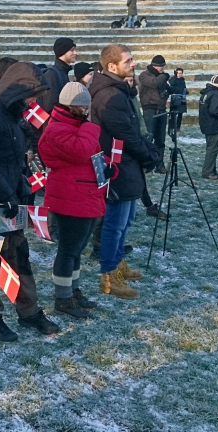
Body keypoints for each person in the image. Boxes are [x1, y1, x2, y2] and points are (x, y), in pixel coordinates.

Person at [0, 61, 60, 341]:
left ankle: (28, 310)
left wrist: (23, 189)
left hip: (13, 201)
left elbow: (17, 160)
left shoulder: (14, 117)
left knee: (19, 256)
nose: (35, 101)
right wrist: (6, 194)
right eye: (32, 94)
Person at [89, 43, 158, 299]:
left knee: (125, 221)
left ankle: (118, 264)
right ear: (111, 66)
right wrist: (148, 154)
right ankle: (109, 276)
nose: (133, 64)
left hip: (125, 164)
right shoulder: (109, 95)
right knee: (115, 224)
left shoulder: (118, 90)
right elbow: (126, 133)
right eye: (128, 61)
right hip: (116, 166)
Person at [39, 82, 104, 319]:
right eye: (84, 106)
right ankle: (62, 298)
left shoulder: (76, 126)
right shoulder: (57, 129)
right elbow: (81, 151)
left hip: (84, 194)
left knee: (77, 249)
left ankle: (73, 291)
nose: (87, 111)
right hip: (69, 197)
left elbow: (92, 155)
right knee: (68, 250)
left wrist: (107, 170)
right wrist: (89, 127)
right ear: (72, 106)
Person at [138, 54, 170, 174]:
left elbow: (166, 87)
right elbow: (154, 83)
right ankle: (147, 164)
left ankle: (159, 164)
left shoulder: (161, 77)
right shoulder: (144, 75)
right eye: (161, 67)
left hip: (161, 109)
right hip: (149, 110)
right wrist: (164, 76)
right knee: (149, 138)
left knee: (160, 140)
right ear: (154, 66)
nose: (162, 69)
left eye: (163, 67)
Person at [198, 74, 218, 180]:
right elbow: (215, 110)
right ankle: (208, 171)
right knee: (212, 149)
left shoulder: (207, 93)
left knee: (210, 148)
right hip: (213, 125)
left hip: (206, 124)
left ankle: (211, 169)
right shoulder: (216, 94)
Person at [41, 37, 77, 113]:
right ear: (63, 52)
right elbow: (50, 105)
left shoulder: (62, 72)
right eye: (72, 50)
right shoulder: (52, 74)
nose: (75, 53)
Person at [168, 67, 189, 132]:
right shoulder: (173, 79)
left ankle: (178, 128)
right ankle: (171, 127)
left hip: (182, 98)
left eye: (181, 73)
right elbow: (171, 84)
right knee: (173, 114)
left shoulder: (182, 80)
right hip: (175, 98)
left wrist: (186, 91)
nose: (179, 74)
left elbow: (184, 87)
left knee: (180, 114)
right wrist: (174, 76)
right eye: (178, 73)